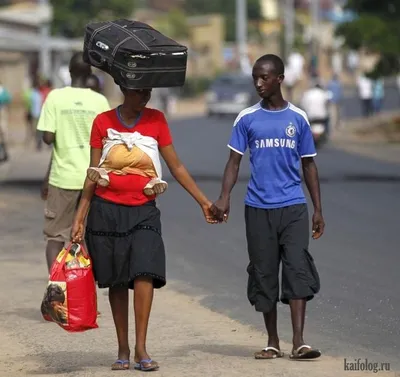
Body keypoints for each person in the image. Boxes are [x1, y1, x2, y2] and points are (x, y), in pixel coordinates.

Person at [70, 84, 218, 371]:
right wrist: (79, 216)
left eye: (148, 92)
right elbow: (93, 173)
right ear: (125, 89)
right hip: (106, 211)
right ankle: (122, 348)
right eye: (139, 92)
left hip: (144, 210)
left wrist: (203, 202)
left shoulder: (156, 120)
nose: (145, 97)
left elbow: (175, 167)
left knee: (144, 271)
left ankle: (141, 347)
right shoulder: (102, 121)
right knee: (116, 279)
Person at [212, 54, 325, 360]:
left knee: (297, 269)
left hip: (293, 207)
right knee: (263, 274)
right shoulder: (246, 118)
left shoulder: (298, 118)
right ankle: (272, 341)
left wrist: (317, 209)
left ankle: (299, 341)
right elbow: (233, 163)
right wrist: (225, 197)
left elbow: (309, 166)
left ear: (279, 79)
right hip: (258, 208)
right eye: (255, 78)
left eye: (264, 78)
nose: (258, 83)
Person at [37, 51, 110, 272]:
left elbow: (48, 138)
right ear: (90, 74)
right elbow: (108, 140)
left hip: (63, 179)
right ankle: (83, 296)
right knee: (84, 237)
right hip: (92, 180)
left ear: (69, 73)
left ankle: (57, 290)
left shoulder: (55, 97)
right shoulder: (100, 101)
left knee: (55, 237)